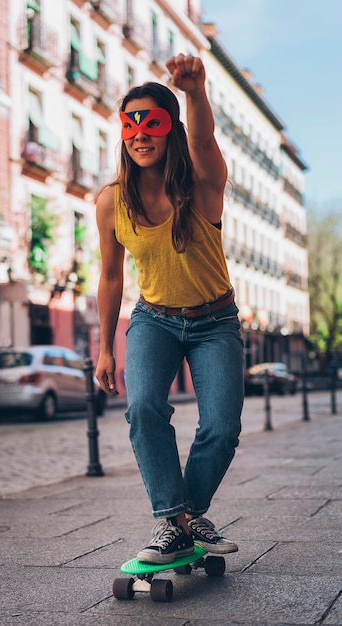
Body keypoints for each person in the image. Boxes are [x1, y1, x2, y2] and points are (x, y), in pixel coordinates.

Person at [95, 54, 244, 565]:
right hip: (153, 319)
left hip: (215, 322)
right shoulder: (111, 200)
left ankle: (186, 519)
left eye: (152, 122)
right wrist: (103, 349)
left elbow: (203, 141)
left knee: (222, 428)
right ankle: (176, 522)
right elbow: (111, 275)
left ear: (169, 130)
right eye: (130, 123)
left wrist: (195, 91)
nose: (140, 133)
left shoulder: (202, 185)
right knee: (142, 408)